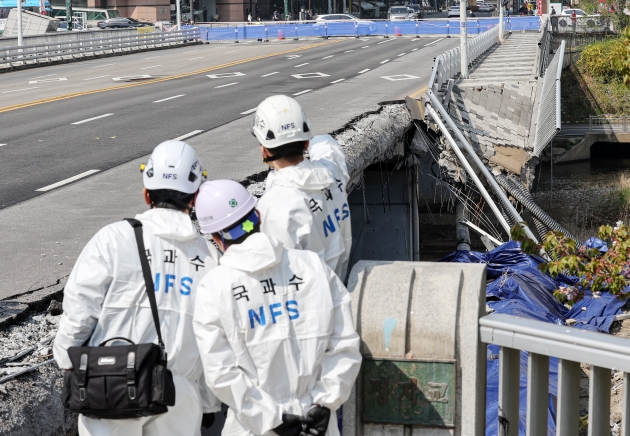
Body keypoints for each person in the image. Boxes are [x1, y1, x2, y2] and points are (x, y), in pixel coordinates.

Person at [53, 141, 221, 436]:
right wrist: (208, 403)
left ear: (146, 193)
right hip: (178, 394)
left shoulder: (113, 239)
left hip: (110, 384)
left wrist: (69, 361)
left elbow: (80, 308)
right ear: (194, 198)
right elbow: (214, 337)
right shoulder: (209, 257)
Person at [192, 179, 362, 436]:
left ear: (216, 238)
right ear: (258, 215)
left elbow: (221, 373)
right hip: (316, 423)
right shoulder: (312, 266)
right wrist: (324, 403)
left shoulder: (214, 287)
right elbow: (345, 343)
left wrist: (274, 419)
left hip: (255, 427)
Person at [252, 95, 353, 282]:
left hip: (307, 305)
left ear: (264, 151)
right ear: (306, 144)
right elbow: (326, 144)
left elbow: (282, 274)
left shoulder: (274, 206)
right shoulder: (332, 172)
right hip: (340, 284)